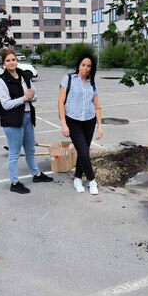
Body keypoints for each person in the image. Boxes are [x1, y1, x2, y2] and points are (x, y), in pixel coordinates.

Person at [0, 49, 53, 194]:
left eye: (13, 59)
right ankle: (14, 183)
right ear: (3, 63)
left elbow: (34, 95)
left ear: (16, 60)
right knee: (14, 153)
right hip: (13, 121)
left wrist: (30, 97)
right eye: (7, 60)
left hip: (28, 117)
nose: (11, 62)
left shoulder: (24, 75)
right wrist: (25, 98)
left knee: (30, 150)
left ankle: (36, 175)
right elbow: (6, 104)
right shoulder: (2, 80)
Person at [58, 54, 103, 195]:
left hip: (89, 121)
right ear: (79, 65)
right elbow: (60, 103)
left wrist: (100, 125)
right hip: (73, 121)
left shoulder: (92, 83)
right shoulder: (69, 79)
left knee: (83, 153)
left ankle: (77, 179)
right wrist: (64, 124)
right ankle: (92, 181)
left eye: (89, 66)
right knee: (84, 152)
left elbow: (97, 106)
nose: (86, 68)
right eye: (83, 65)